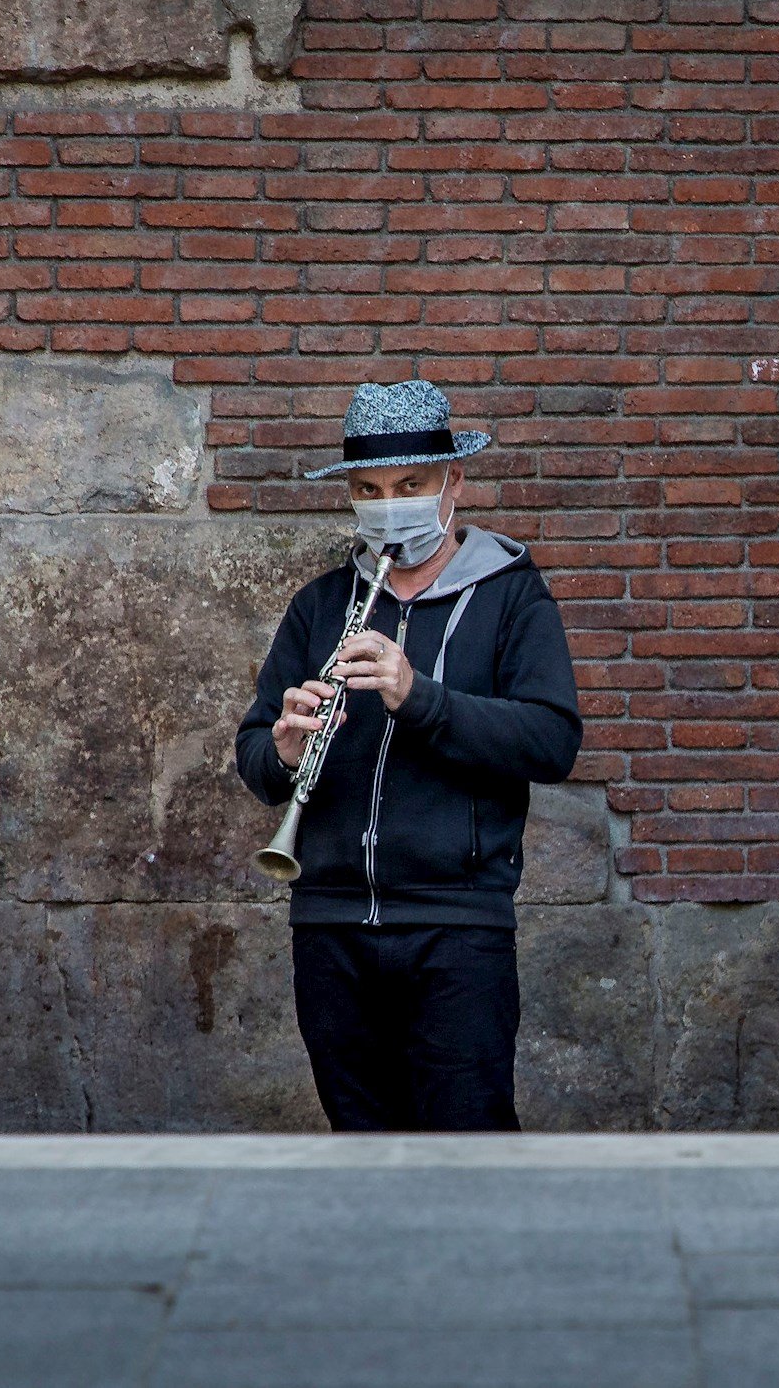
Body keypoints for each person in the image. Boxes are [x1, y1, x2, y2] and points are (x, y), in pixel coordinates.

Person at [236, 379, 582, 1131]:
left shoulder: (512, 597)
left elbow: (553, 740)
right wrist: (284, 750)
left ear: (453, 481)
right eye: (369, 488)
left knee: (469, 1148)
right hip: (329, 930)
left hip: (457, 930)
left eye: (410, 485)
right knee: (362, 1148)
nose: (389, 504)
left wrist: (417, 694)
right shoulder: (320, 604)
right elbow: (254, 753)